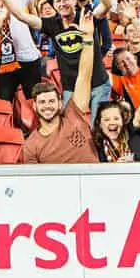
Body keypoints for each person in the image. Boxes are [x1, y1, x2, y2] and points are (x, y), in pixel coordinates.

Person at [24, 9, 99, 164]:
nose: (47, 106)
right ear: (35, 107)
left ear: (59, 103)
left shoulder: (74, 113)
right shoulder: (31, 146)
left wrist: (88, 38)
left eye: (51, 101)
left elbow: (84, 75)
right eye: (42, 102)